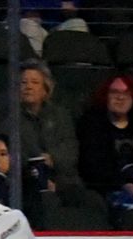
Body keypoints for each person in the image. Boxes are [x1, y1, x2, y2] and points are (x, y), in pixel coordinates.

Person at [77, 73, 133, 230]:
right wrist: (127, 186)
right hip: (110, 188)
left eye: (126, 93)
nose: (120, 97)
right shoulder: (92, 125)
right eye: (115, 92)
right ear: (106, 96)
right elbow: (92, 168)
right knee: (130, 207)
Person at [18, 59, 79, 228]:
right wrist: (38, 173)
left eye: (35, 82)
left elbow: (71, 149)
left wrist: (52, 158)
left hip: (64, 181)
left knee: (92, 201)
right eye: (23, 82)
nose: (28, 86)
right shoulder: (10, 122)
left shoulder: (61, 116)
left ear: (46, 89)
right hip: (29, 186)